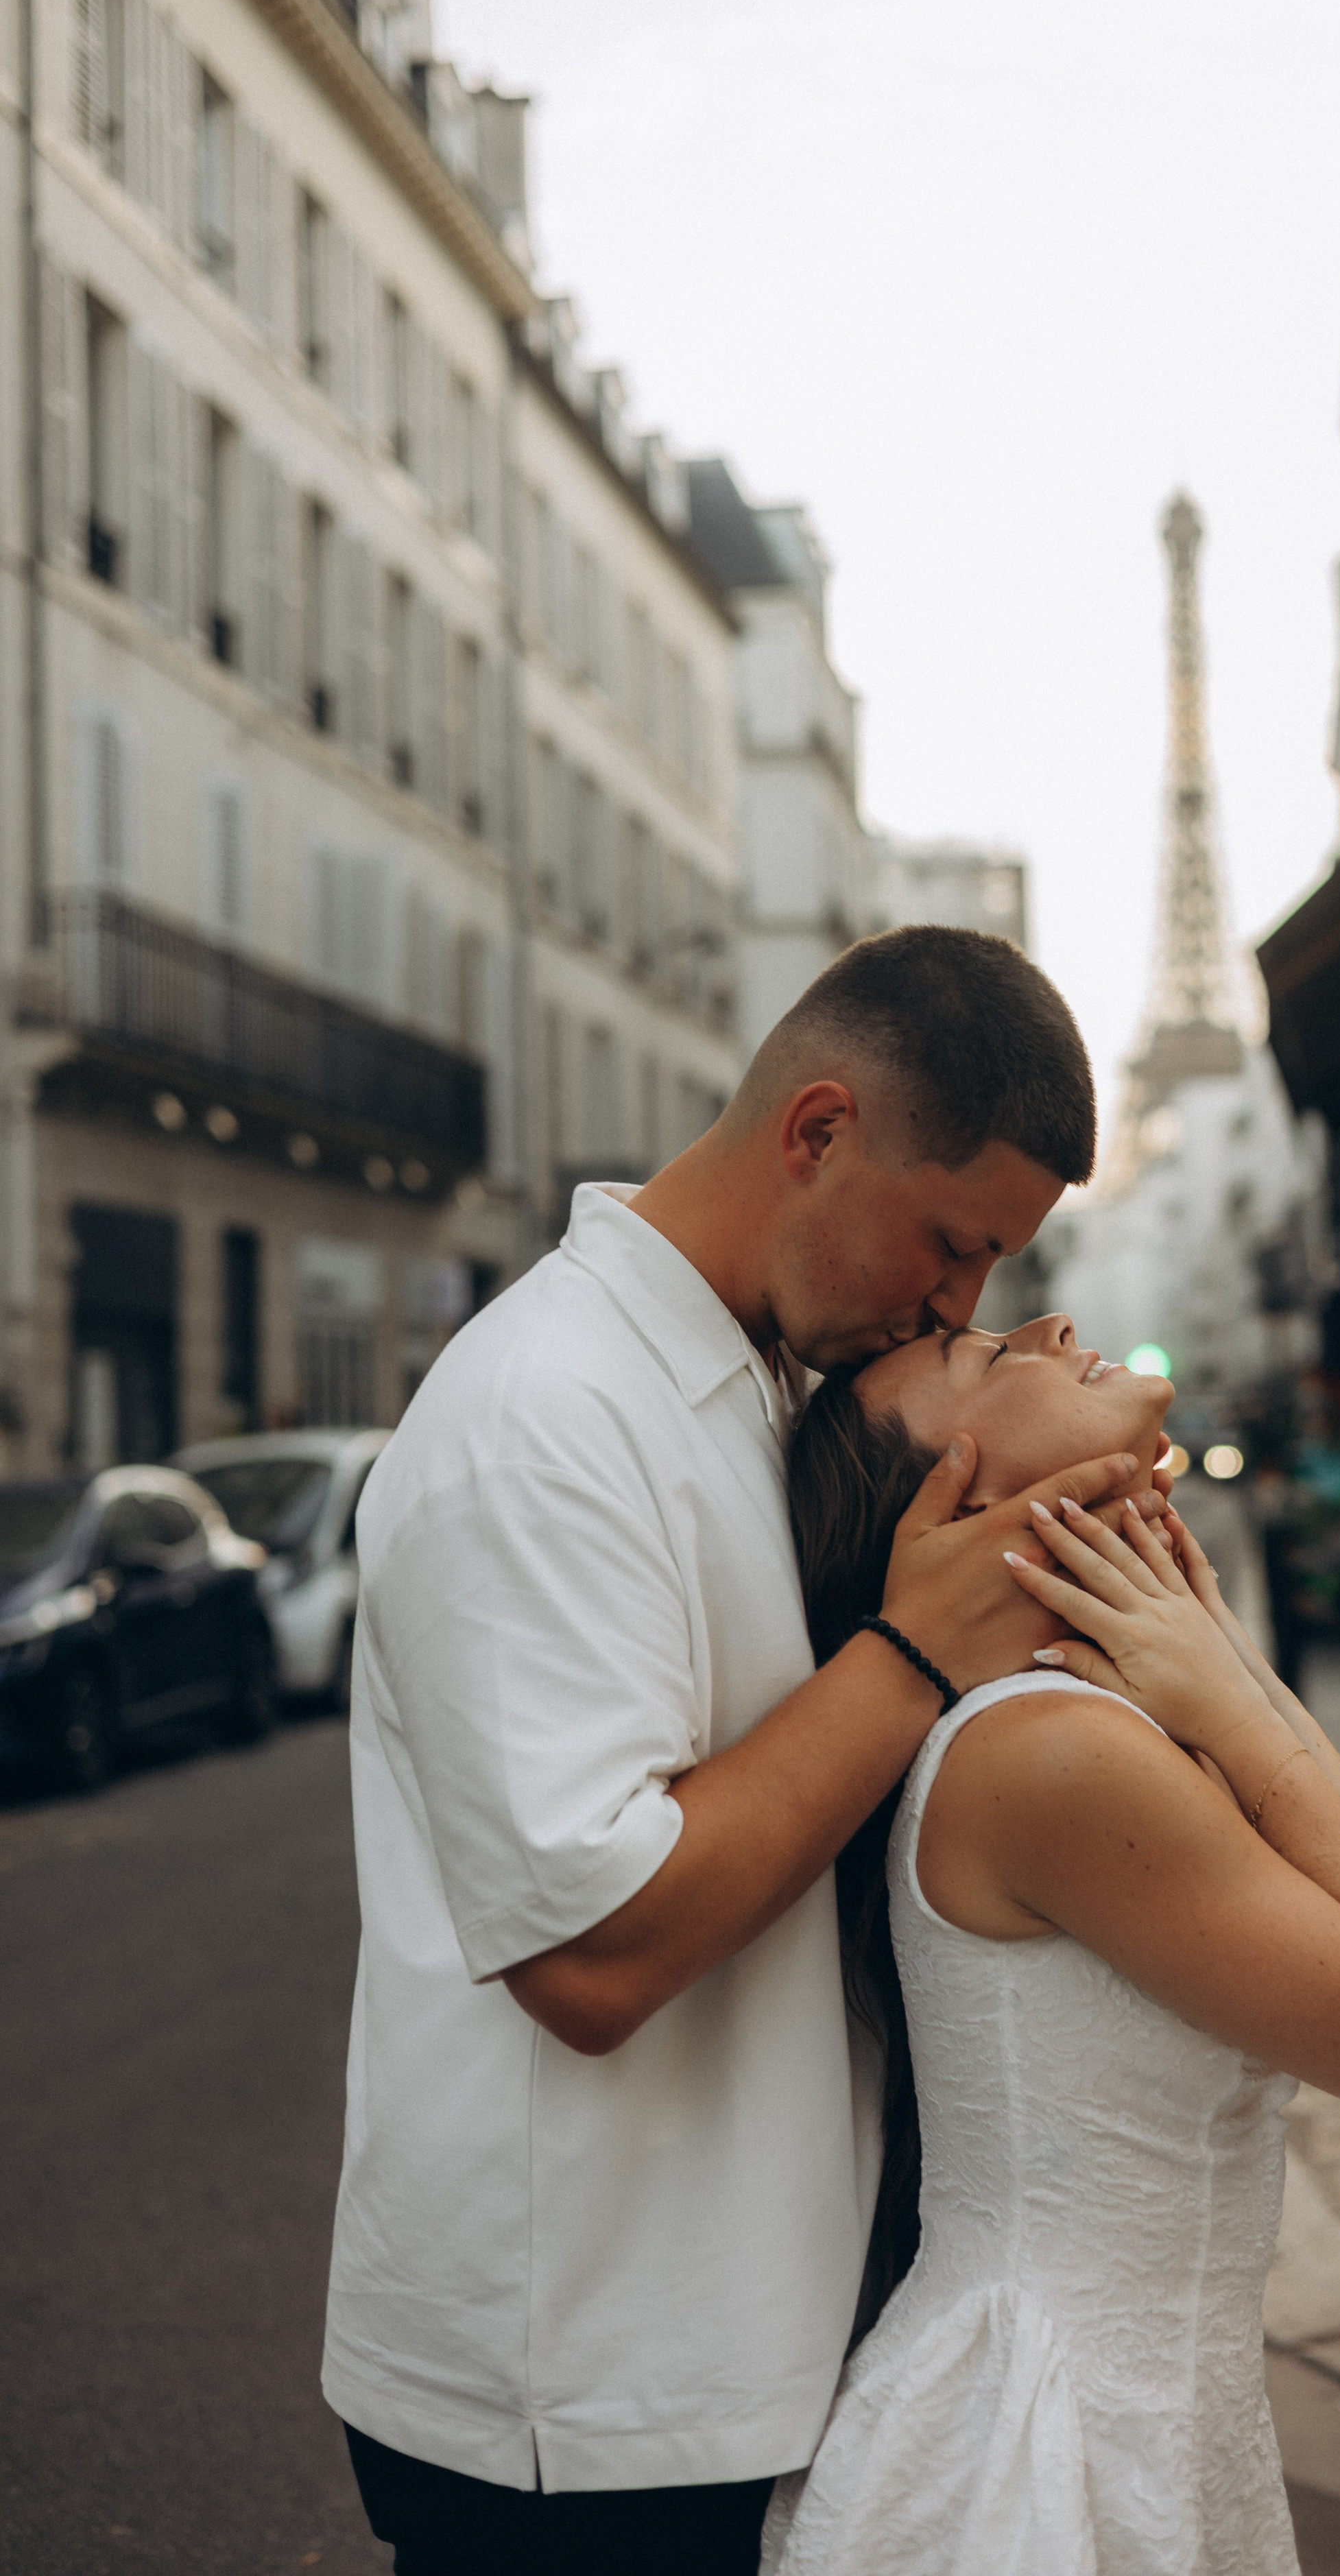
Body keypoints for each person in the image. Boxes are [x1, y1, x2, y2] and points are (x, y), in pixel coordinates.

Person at [324, 929, 1180, 2576]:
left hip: (709, 2356)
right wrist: (918, 1650)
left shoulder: (740, 1381)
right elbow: (590, 1949)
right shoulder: (543, 1411)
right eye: (951, 1241)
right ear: (815, 1131)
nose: (960, 1304)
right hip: (573, 2400)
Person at [765, 1318, 1340, 2574]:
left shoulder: (1078, 1717)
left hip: (1123, 2414)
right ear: (974, 1500)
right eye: (995, 1361)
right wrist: (1235, 1692)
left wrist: (1223, 1674)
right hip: (1051, 2452)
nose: (1045, 1325)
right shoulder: (1050, 1753)